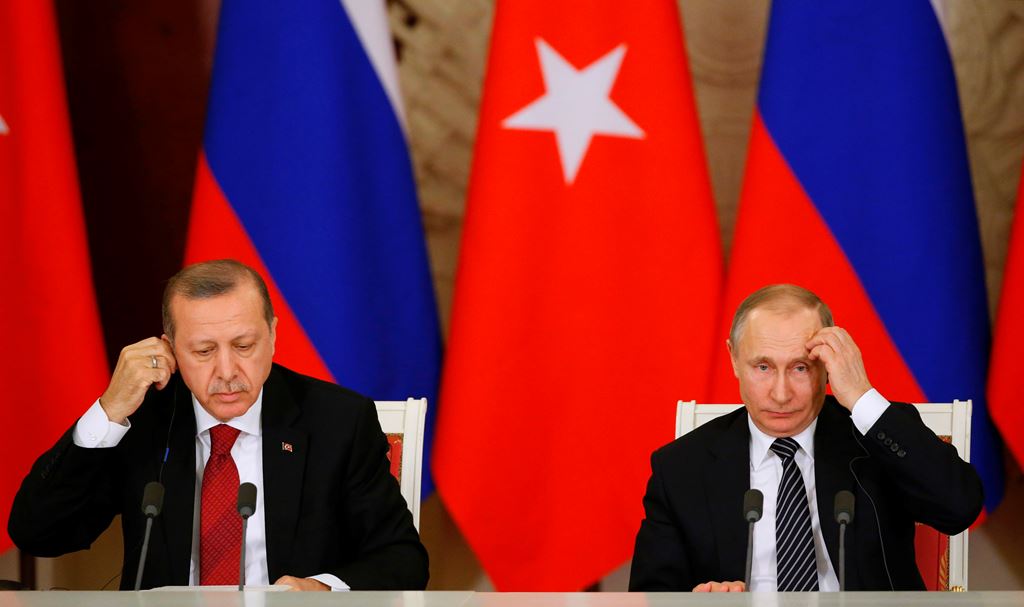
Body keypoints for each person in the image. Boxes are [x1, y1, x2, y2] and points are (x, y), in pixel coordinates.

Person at [9, 259, 427, 591]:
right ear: (170, 349)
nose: (227, 372)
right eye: (204, 351)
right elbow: (40, 533)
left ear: (273, 335)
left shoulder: (337, 421)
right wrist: (110, 410)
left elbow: (402, 558)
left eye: (244, 346)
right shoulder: (144, 420)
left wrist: (319, 589)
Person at [629, 284, 983, 592]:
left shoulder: (875, 435)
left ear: (828, 366)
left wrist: (861, 396)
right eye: (763, 367)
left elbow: (959, 508)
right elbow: (650, 594)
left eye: (801, 367)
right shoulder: (681, 466)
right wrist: (698, 599)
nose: (781, 394)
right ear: (734, 359)